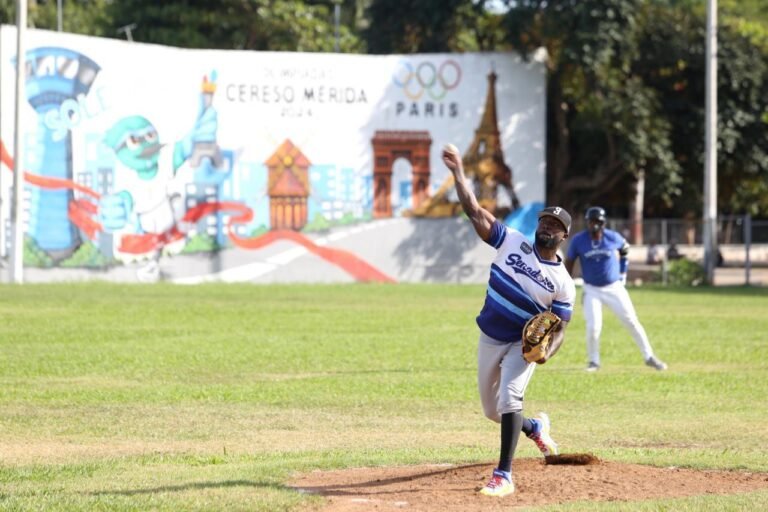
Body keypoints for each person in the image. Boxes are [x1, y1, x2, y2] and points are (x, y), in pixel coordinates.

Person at [442, 144, 576, 498]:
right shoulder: (511, 241)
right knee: (491, 410)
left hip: (521, 343)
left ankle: (503, 474)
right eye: (545, 220)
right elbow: (473, 209)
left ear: (564, 236)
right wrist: (457, 171)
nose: (548, 226)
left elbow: (560, 328)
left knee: (510, 397)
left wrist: (546, 351)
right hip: (490, 335)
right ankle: (535, 428)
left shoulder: (562, 283)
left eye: (556, 225)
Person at [564, 206, 668, 372]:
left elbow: (625, 249)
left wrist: (623, 272)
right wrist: (566, 283)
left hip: (614, 287)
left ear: (603, 222)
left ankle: (649, 356)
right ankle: (594, 361)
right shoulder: (579, 240)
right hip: (591, 289)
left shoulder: (612, 237)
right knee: (593, 326)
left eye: (597, 221)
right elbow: (569, 261)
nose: (594, 225)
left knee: (632, 321)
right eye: (591, 221)